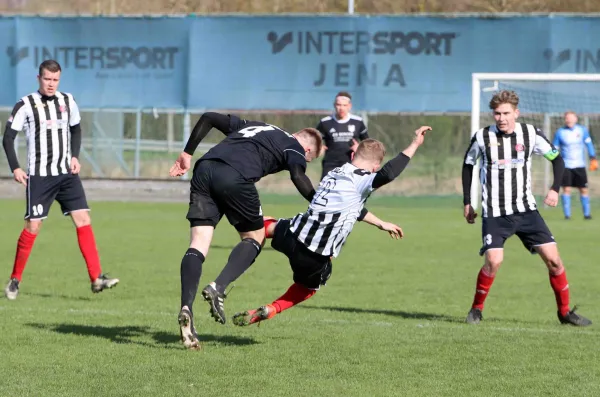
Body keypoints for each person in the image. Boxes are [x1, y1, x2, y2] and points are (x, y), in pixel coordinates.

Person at [231, 128, 431, 327]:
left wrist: (380, 223)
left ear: (353, 155)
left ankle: (237, 252)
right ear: (375, 166)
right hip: (314, 255)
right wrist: (414, 144)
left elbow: (350, 207)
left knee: (267, 224)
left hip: (292, 233)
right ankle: (273, 309)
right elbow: (389, 173)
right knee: (307, 288)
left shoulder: (335, 173)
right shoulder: (364, 179)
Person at [168, 112, 323, 350]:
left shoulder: (256, 126)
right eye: (308, 159)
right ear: (308, 151)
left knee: (198, 242)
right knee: (255, 236)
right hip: (235, 177)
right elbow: (297, 174)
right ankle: (218, 287)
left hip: (204, 168)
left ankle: (186, 307)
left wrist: (187, 153)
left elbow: (208, 117)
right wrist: (319, 206)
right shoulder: (294, 147)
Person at [462, 90, 591, 326]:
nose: (501, 118)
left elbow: (557, 159)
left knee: (554, 261)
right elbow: (468, 165)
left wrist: (554, 189)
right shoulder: (482, 137)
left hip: (526, 211)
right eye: (497, 113)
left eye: (506, 113)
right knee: (494, 261)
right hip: (495, 213)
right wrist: (467, 202)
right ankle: (476, 310)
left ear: (516, 113)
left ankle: (564, 313)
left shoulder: (530, 134)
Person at [2, 59, 119, 300]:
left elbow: (76, 129)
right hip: (40, 176)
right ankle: (15, 279)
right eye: (47, 79)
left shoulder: (68, 101)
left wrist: (75, 156)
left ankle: (96, 278)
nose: (51, 84)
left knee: (83, 218)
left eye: (55, 80)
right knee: (33, 226)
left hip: (66, 174)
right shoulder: (25, 105)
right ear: (39, 79)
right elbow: (7, 138)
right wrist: (15, 167)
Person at [552, 111, 597, 220]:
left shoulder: (582, 130)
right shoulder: (560, 132)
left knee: (584, 190)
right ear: (565, 120)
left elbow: (589, 144)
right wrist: (553, 159)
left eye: (571, 118)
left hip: (579, 165)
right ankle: (567, 215)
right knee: (566, 189)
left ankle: (587, 214)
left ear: (576, 119)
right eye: (567, 118)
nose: (569, 120)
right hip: (566, 166)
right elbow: (554, 148)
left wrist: (593, 157)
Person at [316, 91, 369, 179]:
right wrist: (318, 148)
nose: (341, 108)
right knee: (327, 190)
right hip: (330, 163)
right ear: (334, 105)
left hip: (351, 164)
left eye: (344, 105)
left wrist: (359, 148)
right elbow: (314, 141)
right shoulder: (325, 122)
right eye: (339, 105)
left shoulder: (358, 121)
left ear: (349, 106)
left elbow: (368, 143)